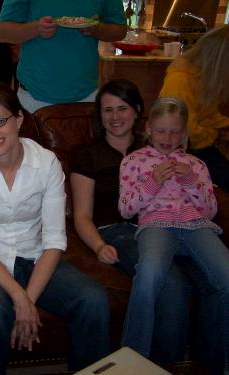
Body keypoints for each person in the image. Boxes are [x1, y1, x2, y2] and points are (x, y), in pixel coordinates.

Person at [0, 81, 110, 374]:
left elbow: (53, 240)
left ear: (19, 119)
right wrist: (18, 296)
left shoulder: (47, 163)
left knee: (93, 299)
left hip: (34, 255)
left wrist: (29, 299)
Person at [71, 80, 223, 368]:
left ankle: (209, 363)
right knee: (171, 282)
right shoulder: (89, 155)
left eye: (122, 108)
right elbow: (81, 216)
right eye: (107, 110)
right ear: (99, 115)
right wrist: (99, 245)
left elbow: (201, 199)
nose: (115, 117)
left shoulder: (162, 145)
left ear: (138, 112)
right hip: (117, 231)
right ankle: (155, 366)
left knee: (212, 284)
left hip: (171, 226)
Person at [118, 96, 229, 372]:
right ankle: (132, 357)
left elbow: (210, 210)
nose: (168, 138)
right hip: (156, 224)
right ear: (148, 129)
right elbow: (126, 209)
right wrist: (153, 181)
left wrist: (190, 180)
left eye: (175, 131)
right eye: (161, 131)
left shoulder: (196, 164)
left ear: (185, 133)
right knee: (149, 273)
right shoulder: (134, 161)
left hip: (195, 225)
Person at [0, 0, 127, 113]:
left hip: (86, 95)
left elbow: (120, 30)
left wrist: (97, 29)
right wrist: (36, 29)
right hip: (33, 97)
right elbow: (3, 33)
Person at [159, 25, 229, 191]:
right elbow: (186, 132)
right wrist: (216, 133)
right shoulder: (180, 80)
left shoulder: (201, 75)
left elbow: (207, 113)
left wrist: (224, 124)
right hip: (180, 153)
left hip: (198, 148)